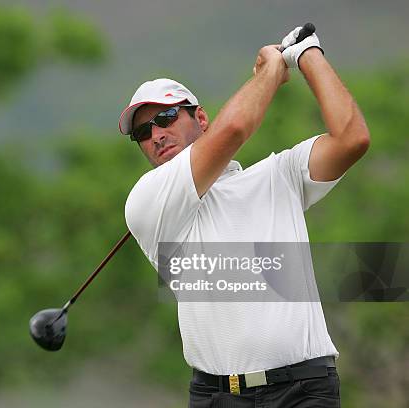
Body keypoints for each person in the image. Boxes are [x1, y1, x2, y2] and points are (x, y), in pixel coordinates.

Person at [119, 27, 369, 407]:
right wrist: (273, 68)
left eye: (167, 117)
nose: (156, 134)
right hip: (217, 395)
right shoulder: (147, 201)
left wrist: (307, 55)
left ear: (200, 119)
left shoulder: (278, 175)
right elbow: (234, 128)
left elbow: (352, 139)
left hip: (304, 389)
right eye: (142, 131)